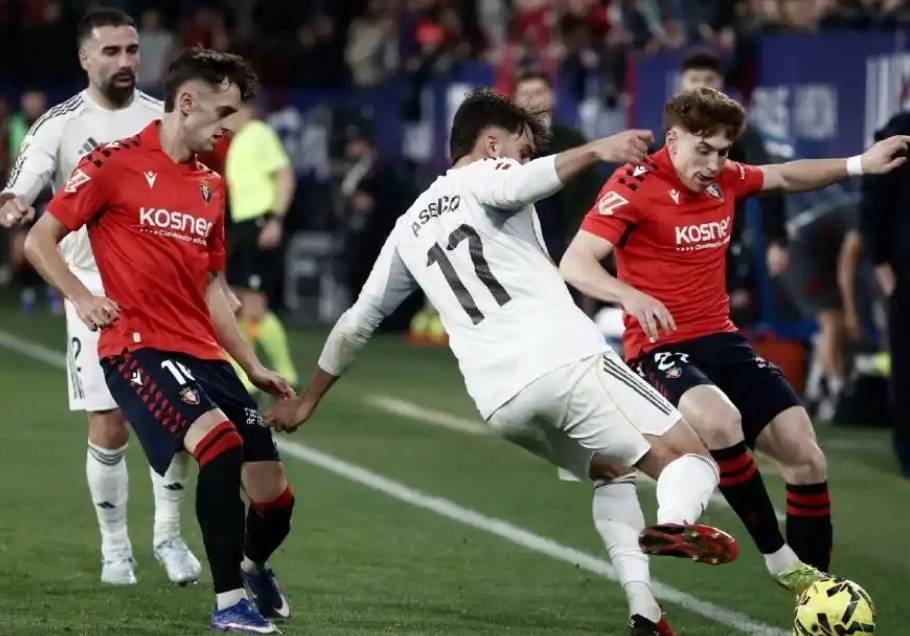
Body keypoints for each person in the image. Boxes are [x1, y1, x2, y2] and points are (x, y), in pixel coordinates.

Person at [268, 89, 739, 636]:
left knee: (611, 472)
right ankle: (675, 524)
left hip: (500, 401)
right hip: (563, 360)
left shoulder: (410, 224)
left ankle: (645, 611)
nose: (525, 158)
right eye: (522, 148)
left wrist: (308, 400)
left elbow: (356, 322)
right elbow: (517, 183)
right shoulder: (489, 174)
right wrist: (597, 149)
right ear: (491, 144)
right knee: (692, 460)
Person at [559, 86, 909, 585]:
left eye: (722, 152)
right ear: (672, 140)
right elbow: (574, 262)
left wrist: (859, 164)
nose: (713, 164)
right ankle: (780, 561)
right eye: (703, 150)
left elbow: (785, 175)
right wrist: (628, 296)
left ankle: (816, 593)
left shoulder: (726, 178)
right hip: (660, 347)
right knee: (722, 422)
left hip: (722, 340)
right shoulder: (633, 185)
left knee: (806, 456)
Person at [24, 47, 296, 633]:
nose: (229, 127)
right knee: (218, 446)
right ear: (187, 103)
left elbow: (212, 289)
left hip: (204, 353)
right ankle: (229, 606)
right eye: (223, 112)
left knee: (275, 499)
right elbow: (39, 240)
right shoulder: (111, 164)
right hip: (138, 347)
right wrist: (82, 296)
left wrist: (251, 365)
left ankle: (251, 567)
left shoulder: (210, 186)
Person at [0, 7, 200, 586]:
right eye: (111, 51)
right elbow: (26, 178)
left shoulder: (162, 117)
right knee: (109, 422)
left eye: (132, 50)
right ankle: (116, 547)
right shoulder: (60, 124)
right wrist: (15, 201)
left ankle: (168, 534)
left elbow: (193, 197)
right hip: (90, 290)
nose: (125, 61)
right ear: (85, 58)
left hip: (161, 289)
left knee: (179, 415)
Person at [678, 50, 789, 324]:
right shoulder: (670, 134)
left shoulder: (741, 133)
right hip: (678, 245)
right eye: (694, 79)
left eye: (709, 79)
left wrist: (776, 240)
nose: (701, 86)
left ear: (721, 84)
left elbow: (769, 181)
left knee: (731, 320)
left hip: (728, 244)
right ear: (682, 84)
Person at [224, 97, 299, 390]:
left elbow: (285, 175)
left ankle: (282, 372)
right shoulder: (239, 140)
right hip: (243, 226)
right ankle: (253, 373)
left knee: (254, 306)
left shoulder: (259, 133)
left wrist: (275, 219)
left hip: (260, 222)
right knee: (237, 302)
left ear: (248, 109)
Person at [859, 108, 910, 478]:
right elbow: (874, 195)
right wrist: (880, 259)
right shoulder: (900, 130)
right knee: (907, 362)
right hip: (906, 265)